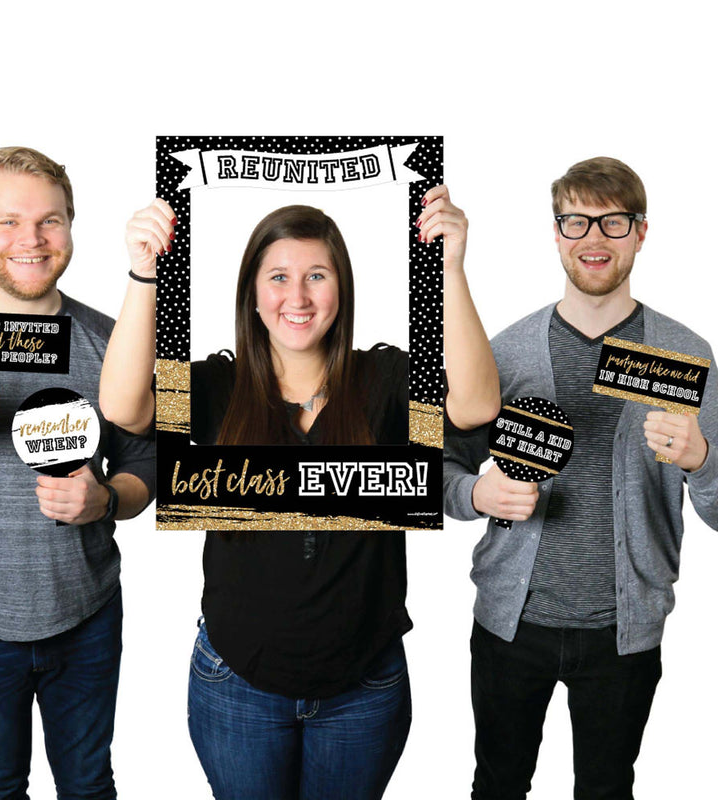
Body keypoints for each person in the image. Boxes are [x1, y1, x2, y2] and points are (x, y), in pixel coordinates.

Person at [100, 185, 499, 799]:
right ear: (253, 295)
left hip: (363, 683)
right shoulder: (220, 384)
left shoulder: (383, 380)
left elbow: (475, 405)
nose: (298, 297)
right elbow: (124, 408)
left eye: (317, 275)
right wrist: (145, 274)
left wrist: (448, 267)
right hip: (237, 679)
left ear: (342, 289)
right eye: (279, 277)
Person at [444, 156, 718, 799]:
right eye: (576, 221)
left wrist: (701, 458)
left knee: (606, 788)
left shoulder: (685, 354)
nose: (594, 238)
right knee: (497, 785)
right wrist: (477, 492)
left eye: (613, 222)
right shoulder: (504, 352)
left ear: (641, 233)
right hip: (510, 624)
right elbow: (439, 471)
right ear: (556, 233)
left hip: (625, 632)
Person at [0, 146, 155, 799]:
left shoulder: (113, 337)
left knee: (88, 785)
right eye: (8, 221)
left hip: (85, 615)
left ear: (71, 227)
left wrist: (105, 499)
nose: (32, 239)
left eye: (50, 220)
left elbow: (146, 462)